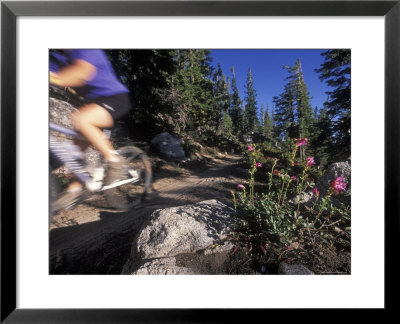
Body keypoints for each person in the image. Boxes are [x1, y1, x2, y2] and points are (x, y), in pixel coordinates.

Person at [50, 49, 132, 208]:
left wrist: (55, 78)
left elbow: (82, 72)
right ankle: (74, 189)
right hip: (91, 103)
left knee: (82, 119)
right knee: (77, 149)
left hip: (114, 97)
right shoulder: (55, 55)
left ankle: (115, 161)